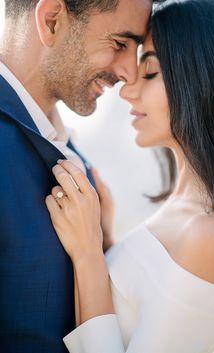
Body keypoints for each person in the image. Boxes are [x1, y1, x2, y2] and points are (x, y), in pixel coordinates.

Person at [46, 0, 214, 352]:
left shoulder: (213, 239)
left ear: (202, 79)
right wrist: (106, 238)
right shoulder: (181, 212)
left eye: (149, 73)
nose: (127, 88)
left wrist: (88, 254)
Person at [0, 0, 152, 352]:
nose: (130, 73)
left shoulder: (76, 158)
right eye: (118, 44)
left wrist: (105, 243)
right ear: (52, 21)